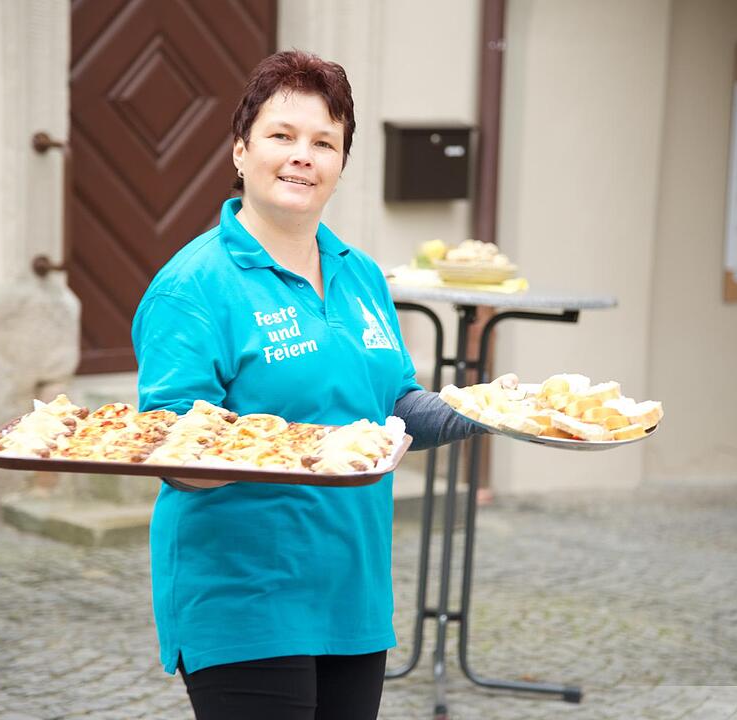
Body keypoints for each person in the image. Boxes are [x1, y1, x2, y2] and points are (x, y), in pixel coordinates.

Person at [131, 50, 481, 719]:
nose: (303, 156)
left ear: (341, 164)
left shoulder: (362, 275)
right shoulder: (193, 285)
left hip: (352, 590)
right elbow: (172, 451)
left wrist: (484, 413)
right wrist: (293, 451)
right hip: (244, 595)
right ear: (240, 151)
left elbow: (394, 404)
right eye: (281, 136)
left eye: (324, 142)